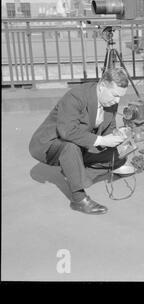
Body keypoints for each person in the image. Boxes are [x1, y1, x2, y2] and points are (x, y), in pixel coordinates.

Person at [29, 68, 130, 215]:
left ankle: (73, 171)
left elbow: (109, 128)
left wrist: (117, 136)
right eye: (115, 95)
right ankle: (79, 200)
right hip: (50, 144)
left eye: (120, 97)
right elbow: (67, 132)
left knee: (120, 157)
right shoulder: (76, 96)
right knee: (70, 147)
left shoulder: (110, 100)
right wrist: (102, 140)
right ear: (102, 86)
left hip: (81, 143)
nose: (117, 101)